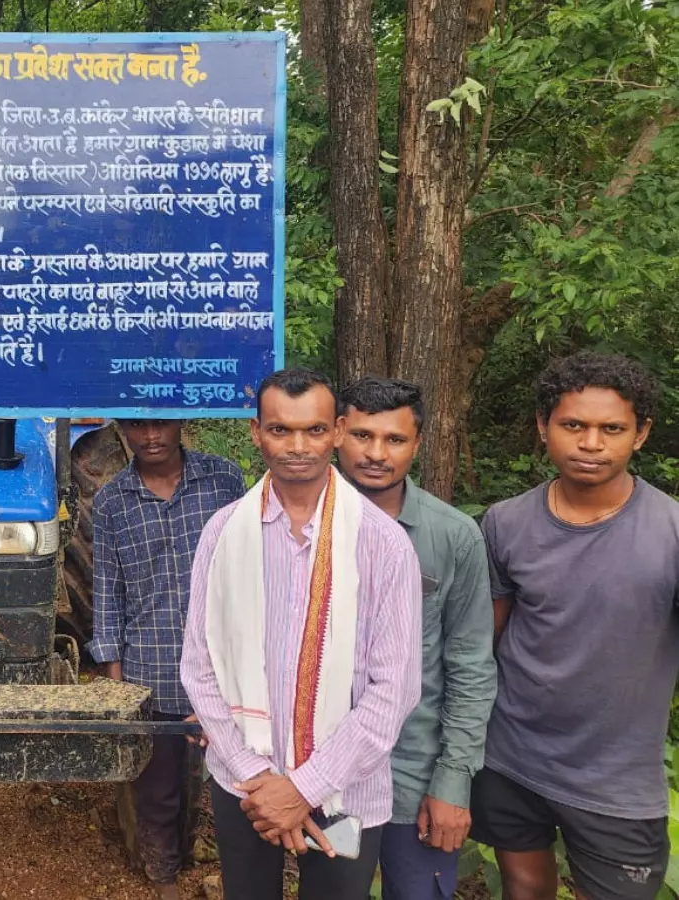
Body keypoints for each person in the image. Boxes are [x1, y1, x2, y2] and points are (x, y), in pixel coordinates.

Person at [180, 368, 423, 900]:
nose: (297, 446)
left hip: (345, 790)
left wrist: (303, 788)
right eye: (280, 430)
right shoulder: (224, 533)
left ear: (337, 431)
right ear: (256, 433)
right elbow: (199, 666)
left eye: (313, 430)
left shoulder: (381, 543)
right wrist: (260, 778)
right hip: (245, 784)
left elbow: (395, 689)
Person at [471, 352, 679, 900]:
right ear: (544, 427)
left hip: (617, 778)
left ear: (640, 434)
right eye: (573, 425)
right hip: (512, 756)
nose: (591, 443)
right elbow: (486, 641)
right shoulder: (506, 522)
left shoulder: (671, 530)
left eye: (612, 429)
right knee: (523, 885)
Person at [336, 377, 497, 900]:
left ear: (418, 443)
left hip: (415, 775)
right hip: (328, 776)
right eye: (362, 436)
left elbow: (471, 663)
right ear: (337, 433)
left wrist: (453, 777)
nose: (376, 454)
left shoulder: (453, 536)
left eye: (395, 439)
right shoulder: (302, 528)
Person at [87, 419, 244, 898]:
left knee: (226, 775)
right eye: (138, 425)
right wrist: (117, 683)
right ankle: (163, 876)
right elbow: (108, 591)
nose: (151, 436)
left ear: (180, 423)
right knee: (157, 784)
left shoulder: (223, 481)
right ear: (123, 430)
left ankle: (214, 857)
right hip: (151, 667)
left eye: (161, 423)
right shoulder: (112, 501)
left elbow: (249, 571)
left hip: (223, 668)